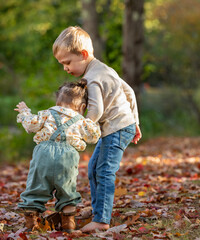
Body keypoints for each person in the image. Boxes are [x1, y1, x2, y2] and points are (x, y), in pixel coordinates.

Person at [53, 26, 142, 232]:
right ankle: (98, 211)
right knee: (94, 168)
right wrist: (135, 121)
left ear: (83, 55)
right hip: (120, 126)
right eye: (62, 64)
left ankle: (101, 221)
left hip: (116, 128)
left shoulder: (93, 79)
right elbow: (128, 91)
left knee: (103, 171)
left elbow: (96, 110)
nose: (65, 68)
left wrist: (77, 128)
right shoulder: (104, 69)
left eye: (67, 62)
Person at [15, 80, 101, 233]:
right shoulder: (81, 121)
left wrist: (25, 112)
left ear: (58, 101)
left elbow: (31, 125)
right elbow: (93, 137)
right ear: (82, 107)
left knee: (36, 185)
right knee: (67, 188)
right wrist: (93, 120)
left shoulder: (46, 113)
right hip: (68, 156)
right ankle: (68, 224)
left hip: (43, 153)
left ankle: (30, 223)